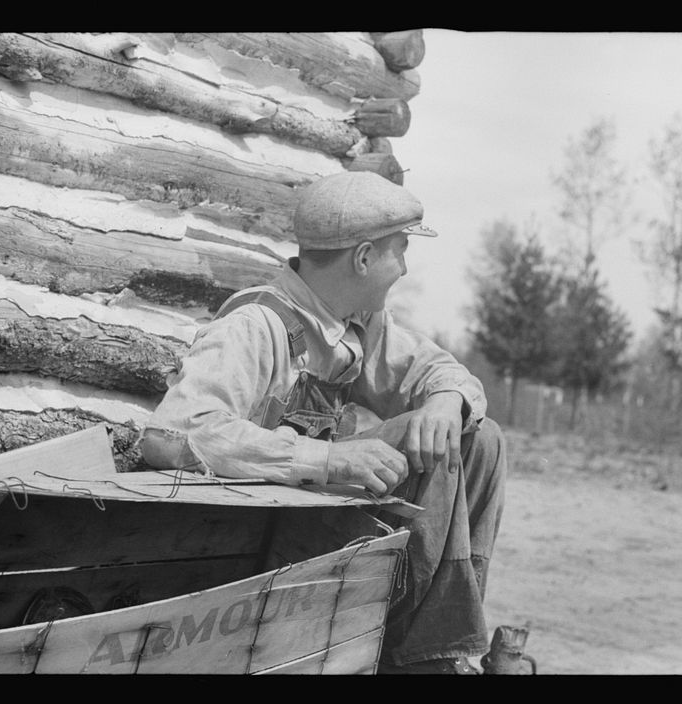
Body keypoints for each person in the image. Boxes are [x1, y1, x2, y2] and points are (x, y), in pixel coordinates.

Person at [139, 171, 507, 675]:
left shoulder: (356, 326)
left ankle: (440, 645)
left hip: (320, 536)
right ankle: (420, 660)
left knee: (475, 434)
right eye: (399, 251)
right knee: (438, 443)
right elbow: (173, 433)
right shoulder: (257, 324)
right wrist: (329, 458)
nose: (402, 269)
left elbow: (441, 371)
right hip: (253, 553)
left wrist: (446, 401)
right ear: (362, 257)